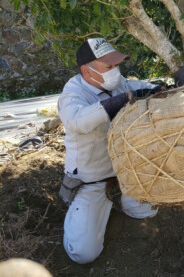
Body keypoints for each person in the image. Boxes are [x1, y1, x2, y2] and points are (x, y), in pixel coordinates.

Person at [58, 38, 162, 264]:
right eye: (109, 66)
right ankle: (80, 209)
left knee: (146, 211)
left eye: (116, 65)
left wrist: (162, 90)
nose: (115, 71)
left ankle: (119, 197)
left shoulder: (118, 83)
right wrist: (118, 103)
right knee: (83, 253)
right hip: (92, 181)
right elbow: (77, 121)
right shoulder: (72, 93)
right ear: (87, 71)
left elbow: (138, 88)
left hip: (125, 171)